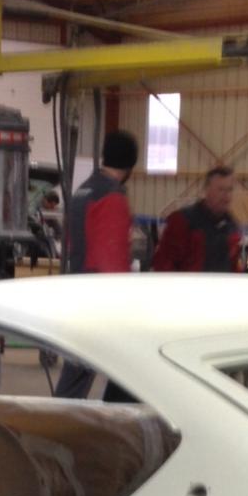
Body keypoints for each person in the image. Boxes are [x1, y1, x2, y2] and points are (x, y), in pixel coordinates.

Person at [54, 130, 139, 399]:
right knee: (128, 368)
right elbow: (111, 258)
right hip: (100, 300)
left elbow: (70, 242)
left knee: (77, 373)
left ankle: (61, 416)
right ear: (130, 165)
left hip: (79, 288)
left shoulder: (83, 191)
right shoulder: (111, 197)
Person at [151, 165, 242, 273]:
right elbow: (163, 263)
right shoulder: (182, 221)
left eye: (229, 190)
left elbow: (234, 266)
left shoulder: (233, 226)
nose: (226, 196)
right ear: (207, 190)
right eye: (221, 190)